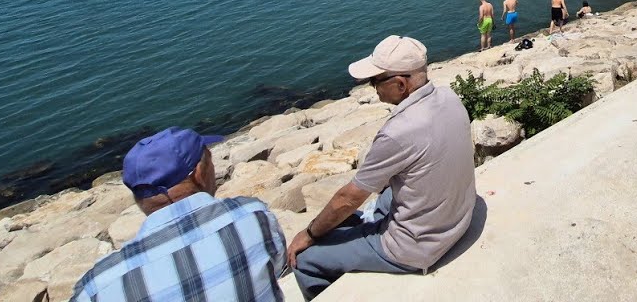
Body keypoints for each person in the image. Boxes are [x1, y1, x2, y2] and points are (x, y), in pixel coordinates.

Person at [289, 37, 476, 299]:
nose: (372, 87)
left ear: (400, 84)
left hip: (417, 248)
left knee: (307, 259)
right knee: (384, 195)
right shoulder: (448, 96)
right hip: (458, 220)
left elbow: (348, 198)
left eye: (375, 80)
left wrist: (308, 234)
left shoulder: (397, 132)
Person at [71, 127, 286, 302]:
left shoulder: (97, 288)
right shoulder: (254, 217)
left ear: (137, 196)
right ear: (199, 174)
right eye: (209, 159)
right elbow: (276, 267)